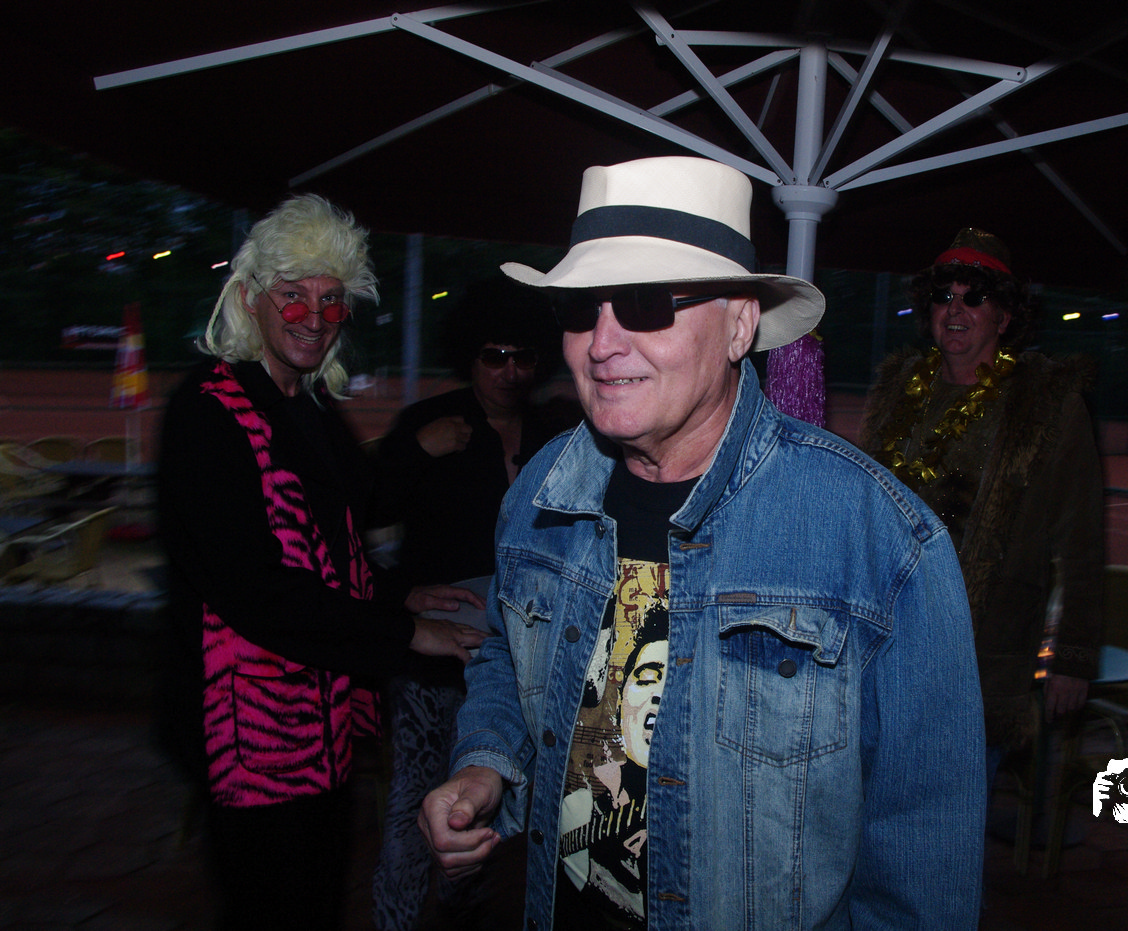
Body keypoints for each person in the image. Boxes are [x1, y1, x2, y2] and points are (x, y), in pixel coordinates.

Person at [418, 155, 986, 930]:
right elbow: (504, 654)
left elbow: (924, 845)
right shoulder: (540, 492)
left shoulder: (876, 538)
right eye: (581, 308)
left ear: (739, 324)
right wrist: (485, 761)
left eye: (646, 303)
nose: (601, 343)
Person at [156, 193, 483, 931]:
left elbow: (339, 543)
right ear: (250, 298)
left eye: (331, 300)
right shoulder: (207, 411)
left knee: (316, 895)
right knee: (272, 905)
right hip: (245, 730)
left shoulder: (304, 405)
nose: (313, 316)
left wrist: (400, 595)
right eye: (293, 295)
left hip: (320, 716)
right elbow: (255, 588)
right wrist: (405, 632)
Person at [860, 227, 1105, 796]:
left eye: (975, 297)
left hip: (980, 654)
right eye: (944, 296)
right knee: (871, 815)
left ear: (1005, 316)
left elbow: (1082, 540)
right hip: (886, 643)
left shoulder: (1047, 407)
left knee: (947, 821)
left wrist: (1073, 658)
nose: (955, 310)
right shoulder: (900, 392)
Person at [370, 280, 579, 931]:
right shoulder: (429, 423)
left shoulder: (558, 432)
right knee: (418, 799)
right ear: (469, 355)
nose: (510, 371)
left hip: (523, 653)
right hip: (434, 656)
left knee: (493, 801)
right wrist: (415, 450)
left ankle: (461, 915)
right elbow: (353, 519)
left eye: (523, 356)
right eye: (495, 355)